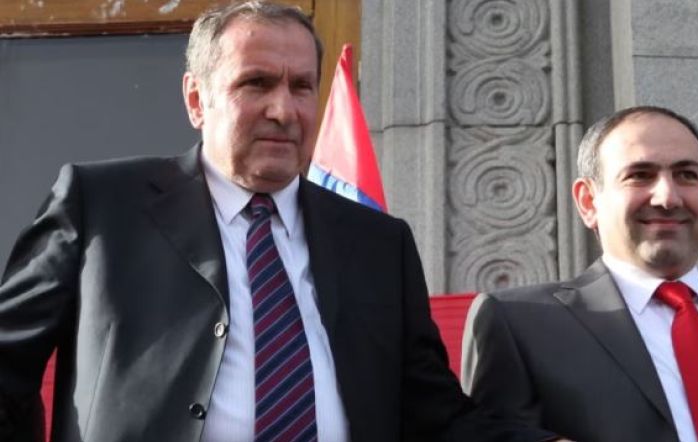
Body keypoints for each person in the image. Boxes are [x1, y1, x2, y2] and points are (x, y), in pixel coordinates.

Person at [0, 2, 557, 441]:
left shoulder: (378, 244)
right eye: (256, 83)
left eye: (302, 86)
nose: (284, 111)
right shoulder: (103, 206)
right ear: (196, 99)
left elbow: (435, 415)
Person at [461, 105, 698, 442]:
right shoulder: (518, 326)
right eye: (640, 175)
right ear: (588, 201)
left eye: (686, 175)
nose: (668, 197)